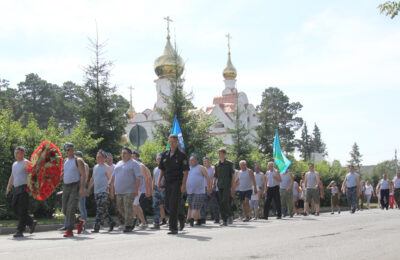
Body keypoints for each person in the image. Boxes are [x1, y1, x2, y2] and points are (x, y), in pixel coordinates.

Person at [158, 135, 189, 235]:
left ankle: (173, 228)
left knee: (173, 204)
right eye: (170, 141)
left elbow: (186, 172)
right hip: (167, 182)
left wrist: (183, 185)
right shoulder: (165, 154)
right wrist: (159, 181)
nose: (172, 143)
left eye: (174, 141)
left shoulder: (181, 155)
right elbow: (162, 169)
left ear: (177, 142)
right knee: (167, 204)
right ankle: (181, 216)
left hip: (177, 182)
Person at [6, 146, 37, 238]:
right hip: (16, 189)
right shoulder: (14, 164)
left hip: (24, 189)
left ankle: (20, 230)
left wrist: (32, 184)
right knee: (15, 208)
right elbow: (12, 176)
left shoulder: (25, 162)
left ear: (22, 153)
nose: (15, 154)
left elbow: (33, 173)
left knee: (22, 210)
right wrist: (8, 188)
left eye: (17, 152)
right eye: (15, 152)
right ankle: (31, 222)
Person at [108, 147, 141, 232]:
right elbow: (113, 174)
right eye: (122, 153)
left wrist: (136, 189)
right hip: (119, 191)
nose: (123, 155)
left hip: (129, 190)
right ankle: (132, 219)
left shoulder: (134, 164)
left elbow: (138, 178)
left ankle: (128, 225)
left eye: (125, 153)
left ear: (130, 154)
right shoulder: (119, 163)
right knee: (120, 208)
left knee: (127, 208)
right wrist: (109, 183)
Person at [61, 143, 86, 237]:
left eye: (70, 149)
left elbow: (83, 175)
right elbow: (64, 173)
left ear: (73, 150)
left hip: (75, 186)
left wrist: (82, 188)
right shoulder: (65, 161)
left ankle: (69, 230)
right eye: (67, 150)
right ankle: (79, 222)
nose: (68, 151)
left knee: (71, 209)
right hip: (66, 186)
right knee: (64, 209)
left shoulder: (78, 160)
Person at [87, 150, 116, 232]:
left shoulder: (106, 167)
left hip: (104, 192)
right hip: (97, 191)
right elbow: (92, 179)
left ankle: (96, 227)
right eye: (97, 157)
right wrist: (88, 189)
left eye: (100, 157)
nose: (98, 159)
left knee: (100, 209)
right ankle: (111, 222)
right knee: (103, 210)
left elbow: (111, 179)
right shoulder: (95, 167)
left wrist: (110, 189)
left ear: (104, 158)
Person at [186, 153, 211, 226]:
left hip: (199, 191)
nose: (191, 162)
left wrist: (209, 187)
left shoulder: (201, 167)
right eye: (190, 160)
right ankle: (198, 219)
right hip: (190, 191)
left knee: (195, 206)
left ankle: (191, 219)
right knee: (189, 205)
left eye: (193, 160)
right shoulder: (188, 168)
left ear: (197, 161)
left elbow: (207, 177)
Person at [213, 148, 235, 227]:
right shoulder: (216, 165)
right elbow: (215, 176)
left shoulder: (229, 163)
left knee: (224, 201)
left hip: (227, 185)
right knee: (221, 203)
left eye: (221, 153)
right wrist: (213, 184)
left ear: (224, 154)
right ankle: (225, 219)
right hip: (220, 186)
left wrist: (233, 186)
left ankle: (229, 215)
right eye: (219, 153)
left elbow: (232, 175)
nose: (219, 155)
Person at [132, 151, 152, 230]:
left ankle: (133, 221)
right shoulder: (131, 166)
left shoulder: (141, 166)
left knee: (134, 205)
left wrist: (147, 190)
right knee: (136, 205)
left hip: (139, 189)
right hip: (132, 189)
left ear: (137, 157)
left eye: (133, 156)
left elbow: (146, 179)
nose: (132, 158)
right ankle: (143, 222)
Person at [200, 156, 220, 224]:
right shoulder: (202, 169)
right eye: (204, 162)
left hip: (212, 188)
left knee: (214, 204)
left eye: (206, 161)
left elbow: (213, 178)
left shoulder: (213, 168)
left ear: (209, 162)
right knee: (203, 204)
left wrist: (211, 187)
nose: (205, 163)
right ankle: (203, 218)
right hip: (204, 188)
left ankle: (216, 218)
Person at [151, 153, 167, 230]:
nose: (159, 160)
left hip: (164, 189)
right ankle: (156, 223)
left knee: (167, 206)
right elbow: (153, 179)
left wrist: (165, 187)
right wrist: (152, 190)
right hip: (156, 189)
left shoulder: (166, 168)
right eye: (157, 159)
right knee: (156, 206)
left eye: (160, 159)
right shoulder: (155, 169)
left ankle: (177, 219)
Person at [74, 151, 89, 232]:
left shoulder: (85, 165)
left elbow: (85, 177)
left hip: (81, 187)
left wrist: (82, 188)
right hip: (74, 187)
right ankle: (67, 225)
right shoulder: (74, 164)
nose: (77, 157)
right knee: (71, 206)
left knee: (81, 207)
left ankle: (84, 224)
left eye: (78, 156)